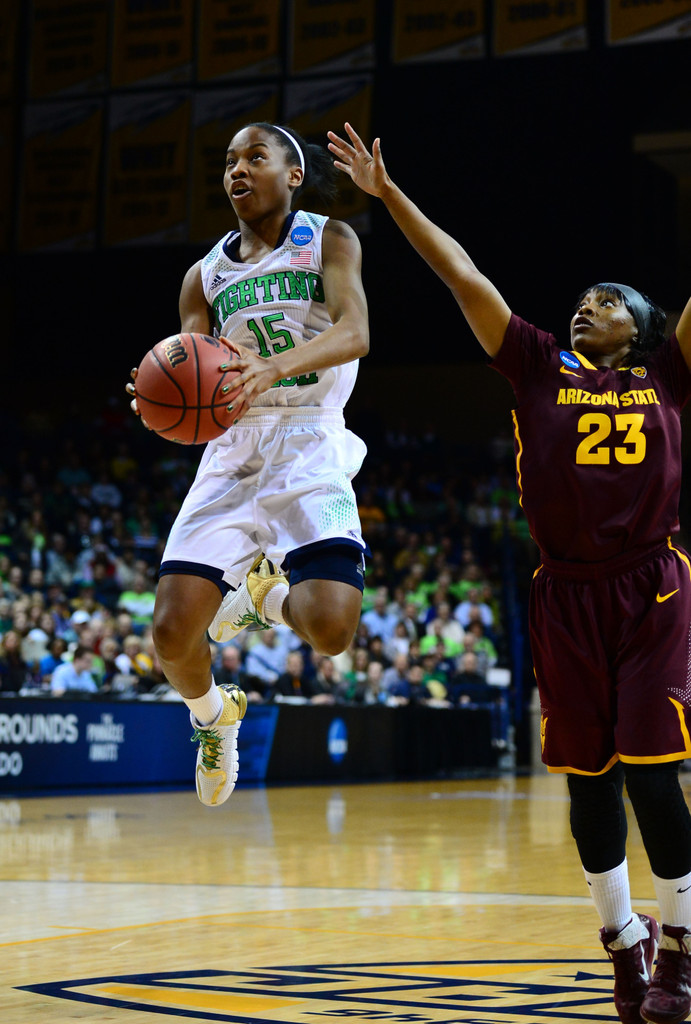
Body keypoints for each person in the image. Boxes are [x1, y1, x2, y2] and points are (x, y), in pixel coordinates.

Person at [328, 122, 691, 1024]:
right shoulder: (533, 361)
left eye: (605, 300)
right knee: (589, 784)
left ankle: (681, 951)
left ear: (640, 329)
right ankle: (622, 942)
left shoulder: (670, 375)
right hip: (562, 593)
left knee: (653, 775)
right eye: (580, 297)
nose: (585, 304)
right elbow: (462, 274)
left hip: (649, 586)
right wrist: (387, 196)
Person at [127, 122, 369, 809]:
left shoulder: (328, 239)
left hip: (309, 440)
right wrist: (155, 391)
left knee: (332, 628)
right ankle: (212, 715)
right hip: (232, 451)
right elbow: (189, 365)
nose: (238, 168)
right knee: (172, 634)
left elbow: (355, 333)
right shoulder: (203, 275)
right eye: (230, 159)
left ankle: (265, 596)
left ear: (292, 175)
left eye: (255, 156)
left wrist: (274, 369)